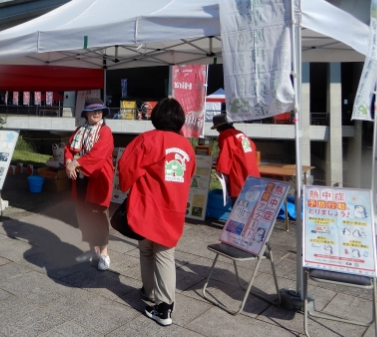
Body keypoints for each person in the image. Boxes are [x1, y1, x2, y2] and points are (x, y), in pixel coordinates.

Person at [118, 97, 195, 326]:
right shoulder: (186, 146)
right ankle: (159, 301)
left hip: (147, 207)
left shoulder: (146, 139)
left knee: (147, 252)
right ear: (180, 119)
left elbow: (126, 167)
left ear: (156, 116)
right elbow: (188, 176)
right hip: (173, 208)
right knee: (165, 254)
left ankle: (161, 307)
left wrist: (126, 186)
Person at [64, 98, 114, 271]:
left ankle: (105, 253)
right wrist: (69, 161)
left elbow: (98, 155)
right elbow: (69, 148)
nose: (97, 113)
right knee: (84, 215)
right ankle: (93, 250)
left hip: (98, 179)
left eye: (100, 110)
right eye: (93, 110)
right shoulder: (80, 130)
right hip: (81, 180)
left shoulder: (105, 131)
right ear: (85, 113)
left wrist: (75, 164)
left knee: (98, 215)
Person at [212, 114, 260, 207]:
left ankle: (236, 220)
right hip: (251, 169)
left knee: (238, 200)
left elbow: (225, 154)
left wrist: (220, 169)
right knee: (251, 199)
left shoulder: (225, 135)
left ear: (219, 128)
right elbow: (252, 147)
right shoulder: (240, 133)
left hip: (239, 170)